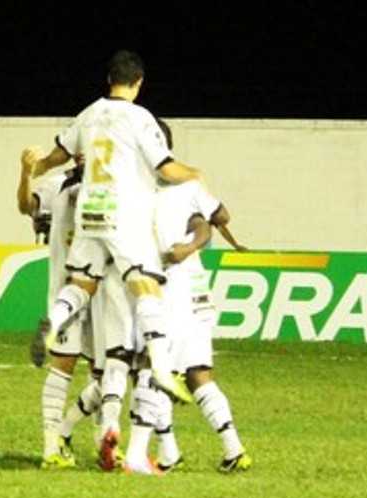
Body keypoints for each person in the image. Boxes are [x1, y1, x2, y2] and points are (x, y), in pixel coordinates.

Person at [27, 50, 205, 461]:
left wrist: (35, 165)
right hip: (126, 214)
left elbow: (55, 158)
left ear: (109, 79)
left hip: (91, 210)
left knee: (81, 284)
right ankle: (161, 365)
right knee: (146, 284)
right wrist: (197, 175)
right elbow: (166, 167)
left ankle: (53, 322)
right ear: (138, 81)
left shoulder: (88, 114)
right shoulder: (140, 118)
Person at [124, 120, 252, 474]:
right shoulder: (154, 187)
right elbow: (207, 219)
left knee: (151, 367)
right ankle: (232, 448)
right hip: (192, 289)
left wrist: (188, 244)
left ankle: (154, 454)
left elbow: (213, 218)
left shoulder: (174, 187)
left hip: (174, 290)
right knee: (197, 372)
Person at [17, 147, 104, 469]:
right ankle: (54, 447)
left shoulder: (108, 185)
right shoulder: (57, 185)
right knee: (87, 367)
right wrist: (26, 173)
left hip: (83, 292)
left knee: (100, 371)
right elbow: (27, 206)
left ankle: (72, 440)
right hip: (87, 287)